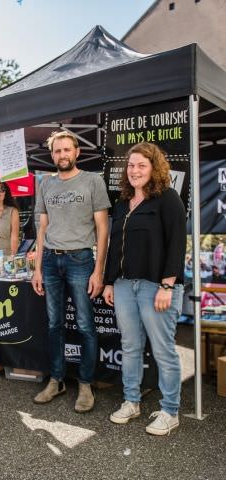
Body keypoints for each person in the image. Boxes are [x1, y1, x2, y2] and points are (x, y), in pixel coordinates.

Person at [103, 142, 186, 436]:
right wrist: (110, 281)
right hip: (125, 285)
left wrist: (167, 284)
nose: (135, 170)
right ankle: (132, 402)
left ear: (154, 168)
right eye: (131, 165)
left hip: (157, 287)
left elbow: (177, 243)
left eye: (142, 165)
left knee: (163, 351)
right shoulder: (123, 203)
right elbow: (116, 248)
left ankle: (170, 411)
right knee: (130, 347)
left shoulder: (168, 199)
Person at [31, 131, 110, 412]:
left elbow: (103, 229)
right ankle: (57, 380)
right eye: (57, 151)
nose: (62, 155)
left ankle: (86, 385)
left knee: (86, 325)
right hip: (51, 260)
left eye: (67, 150)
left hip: (80, 260)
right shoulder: (46, 184)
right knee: (54, 324)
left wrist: (99, 270)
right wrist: (37, 268)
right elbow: (42, 228)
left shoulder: (92, 181)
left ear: (77, 152)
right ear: (52, 155)